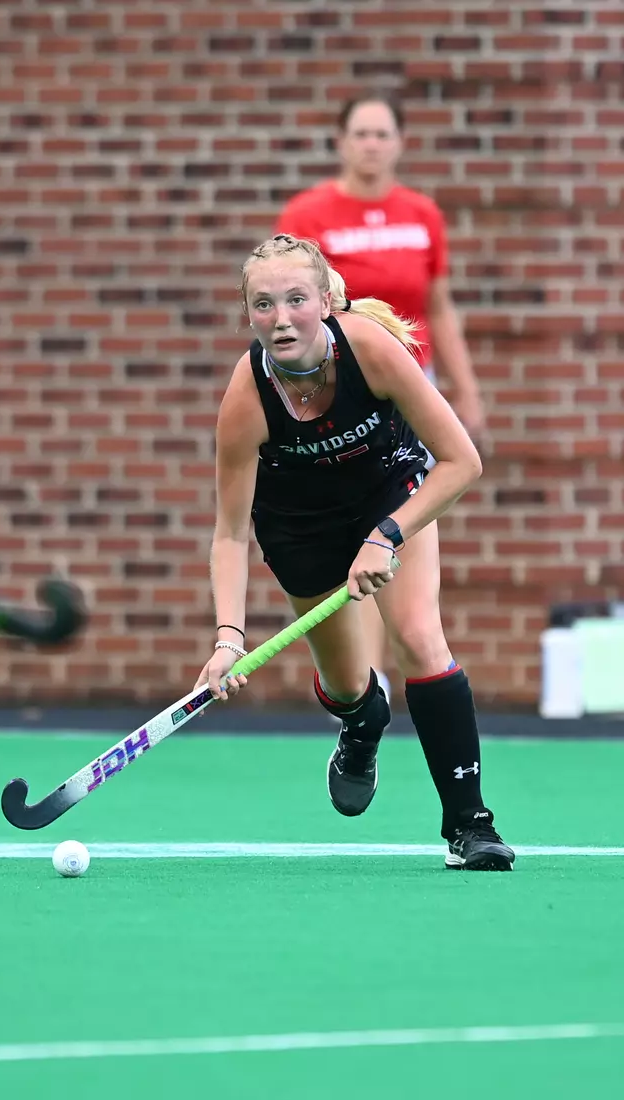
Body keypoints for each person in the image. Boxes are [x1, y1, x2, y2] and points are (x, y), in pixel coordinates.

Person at [194, 233, 514, 871]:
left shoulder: (370, 350)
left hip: (388, 497)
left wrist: (386, 534)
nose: (281, 319)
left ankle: (471, 825)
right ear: (247, 314)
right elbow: (230, 533)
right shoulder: (247, 399)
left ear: (325, 302)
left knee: (420, 637)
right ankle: (363, 723)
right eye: (263, 305)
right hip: (300, 529)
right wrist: (229, 637)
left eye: (296, 299)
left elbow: (462, 462)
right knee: (346, 686)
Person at [276, 91, 485, 702]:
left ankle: (406, 659)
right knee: (351, 533)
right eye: (361, 133)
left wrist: (466, 392)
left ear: (400, 143)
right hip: (341, 398)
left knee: (396, 528)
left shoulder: (422, 214)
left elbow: (438, 307)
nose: (371, 144)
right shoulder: (309, 213)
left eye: (382, 133)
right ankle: (367, 686)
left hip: (410, 396)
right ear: (341, 142)